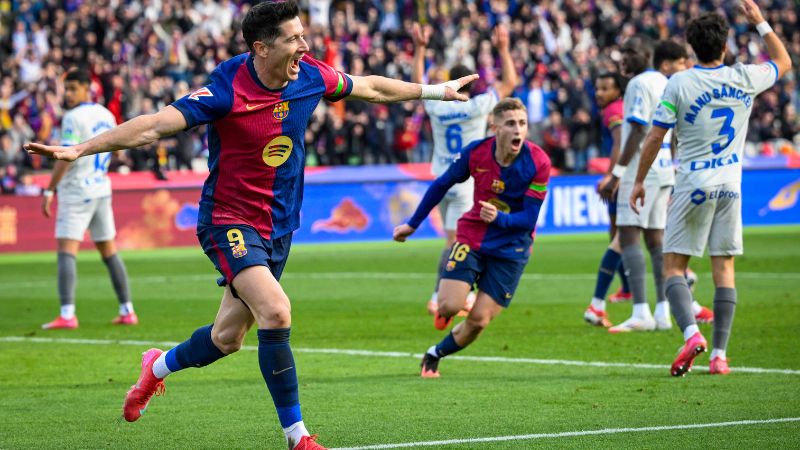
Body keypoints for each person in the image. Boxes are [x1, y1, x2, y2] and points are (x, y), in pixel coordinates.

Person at [25, 2, 477, 449]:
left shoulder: (311, 76)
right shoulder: (227, 89)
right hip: (229, 220)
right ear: (261, 47)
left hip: (279, 225)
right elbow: (154, 126)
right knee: (277, 311)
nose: (304, 45)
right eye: (293, 38)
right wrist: (80, 150)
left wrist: (435, 91)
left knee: (226, 339)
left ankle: (156, 368)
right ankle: (297, 437)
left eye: (303, 35)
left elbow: (372, 88)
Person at [630, 0, 791, 376]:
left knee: (673, 268)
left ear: (691, 47)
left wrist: (639, 180)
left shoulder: (680, 83)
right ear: (725, 45)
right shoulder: (744, 77)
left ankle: (690, 334)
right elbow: (783, 62)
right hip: (731, 186)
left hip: (692, 184)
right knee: (724, 268)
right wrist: (761, 23)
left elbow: (655, 136)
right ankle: (719, 355)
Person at [393, 98, 551, 378]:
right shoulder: (477, 152)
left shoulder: (538, 162)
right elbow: (442, 183)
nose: (518, 130)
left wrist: (500, 219)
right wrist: (412, 224)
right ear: (495, 127)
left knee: (478, 320)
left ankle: (435, 353)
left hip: (512, 246)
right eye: (511, 124)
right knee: (450, 306)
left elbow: (529, 218)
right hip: (473, 235)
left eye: (523, 124)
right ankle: (451, 302)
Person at [411, 22, 519, 316]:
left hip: (441, 180)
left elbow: (416, 83)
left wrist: (420, 49)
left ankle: (459, 291)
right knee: (457, 241)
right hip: (465, 181)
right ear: (473, 83)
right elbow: (510, 83)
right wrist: (504, 49)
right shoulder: (479, 106)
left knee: (459, 238)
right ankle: (439, 295)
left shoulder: (437, 105)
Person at [599, 38, 688, 333]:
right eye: (621, 53)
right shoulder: (666, 82)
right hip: (663, 169)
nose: (624, 58)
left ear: (647, 55)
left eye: (631, 52)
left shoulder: (639, 84)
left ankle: (640, 312)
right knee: (655, 239)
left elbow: (637, 129)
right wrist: (673, 163)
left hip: (643, 169)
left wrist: (617, 173)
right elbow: (672, 130)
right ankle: (663, 311)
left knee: (628, 235)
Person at [40, 68, 136, 330]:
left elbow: (64, 156)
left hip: (77, 191)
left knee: (66, 250)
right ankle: (127, 310)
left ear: (87, 88)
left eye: (73, 88)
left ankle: (67, 313)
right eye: (66, 89)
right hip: (101, 188)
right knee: (109, 250)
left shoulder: (73, 117)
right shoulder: (105, 114)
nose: (69, 94)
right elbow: (116, 146)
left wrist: (49, 189)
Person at [584, 71, 631, 327]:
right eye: (597, 87)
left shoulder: (614, 109)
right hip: (627, 177)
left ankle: (606, 299)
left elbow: (619, 141)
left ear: (617, 91)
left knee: (620, 237)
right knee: (618, 235)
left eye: (605, 88)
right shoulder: (619, 106)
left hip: (623, 179)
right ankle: (626, 289)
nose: (599, 93)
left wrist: (613, 176)